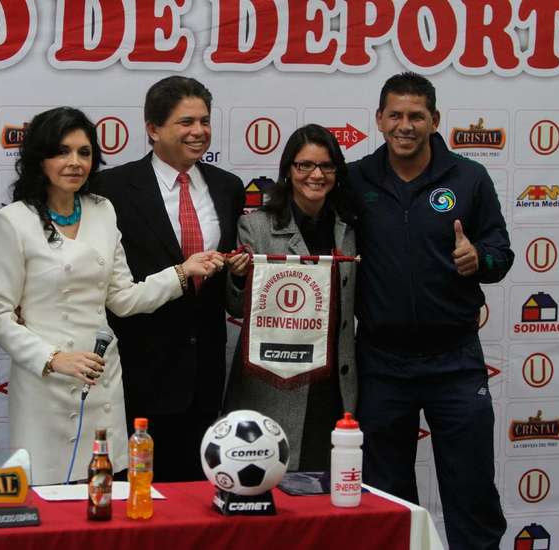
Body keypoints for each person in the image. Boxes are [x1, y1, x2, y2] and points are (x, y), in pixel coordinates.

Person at [0, 107, 224, 486]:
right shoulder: (14, 220)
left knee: (102, 493)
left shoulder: (102, 209)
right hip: (44, 383)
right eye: (62, 151)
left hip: (101, 380)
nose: (75, 162)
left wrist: (182, 272)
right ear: (39, 158)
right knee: (48, 496)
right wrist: (54, 358)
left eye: (84, 152)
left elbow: (123, 298)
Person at [350, 72, 511, 549]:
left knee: (472, 492)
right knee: (386, 498)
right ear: (379, 119)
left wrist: (479, 259)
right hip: (381, 362)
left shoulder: (469, 177)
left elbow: (501, 254)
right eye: (395, 115)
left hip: (455, 361)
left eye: (416, 116)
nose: (406, 125)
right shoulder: (356, 179)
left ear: (435, 120)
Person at [92, 76, 245, 481]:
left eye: (205, 121)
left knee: (194, 498)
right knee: (137, 494)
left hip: (205, 373)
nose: (199, 131)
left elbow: (226, 282)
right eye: (186, 122)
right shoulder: (112, 189)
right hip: (139, 370)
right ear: (154, 129)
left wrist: (239, 274)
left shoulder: (228, 187)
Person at [224, 124, 357, 472]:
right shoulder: (256, 227)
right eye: (305, 165)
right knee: (270, 482)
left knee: (326, 484)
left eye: (326, 166)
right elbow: (235, 306)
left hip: (333, 382)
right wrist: (238, 276)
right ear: (288, 170)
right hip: (273, 383)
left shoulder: (348, 229)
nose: (316, 175)